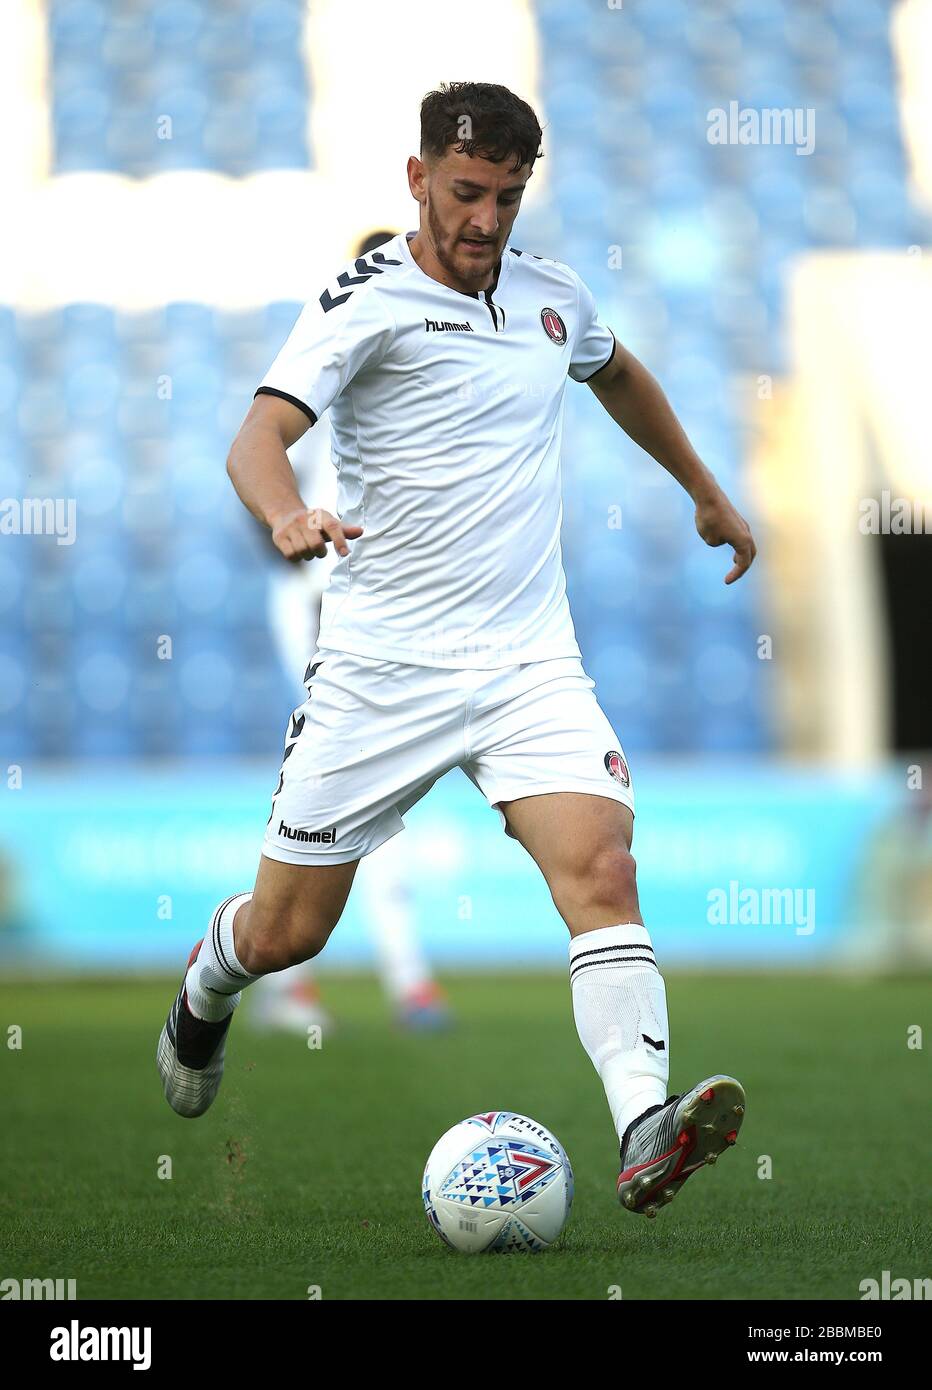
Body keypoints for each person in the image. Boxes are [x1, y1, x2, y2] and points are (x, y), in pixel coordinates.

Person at [157, 81, 756, 1218]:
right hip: (381, 665)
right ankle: (204, 984)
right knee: (288, 930)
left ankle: (642, 1123)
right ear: (419, 178)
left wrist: (705, 492)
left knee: (602, 869)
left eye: (507, 195)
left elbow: (616, 371)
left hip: (529, 660)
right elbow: (257, 435)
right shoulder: (364, 299)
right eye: (467, 192)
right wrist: (285, 513)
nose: (485, 219)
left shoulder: (550, 298)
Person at [253, 229, 453, 1034]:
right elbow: (257, 474)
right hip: (327, 607)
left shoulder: (441, 387)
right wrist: (297, 529)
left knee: (364, 788)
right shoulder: (325, 388)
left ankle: (296, 982)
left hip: (410, 613)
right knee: (348, 782)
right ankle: (384, 981)